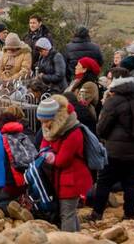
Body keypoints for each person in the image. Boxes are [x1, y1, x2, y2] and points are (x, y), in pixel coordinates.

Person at [88, 74, 134, 222]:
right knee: (130, 183)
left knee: (104, 182)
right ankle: (129, 214)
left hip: (114, 151)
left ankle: (97, 213)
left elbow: (102, 128)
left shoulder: (113, 102)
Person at [37, 96, 92, 232]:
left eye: (45, 121)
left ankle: (70, 239)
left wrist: (48, 156)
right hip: (63, 178)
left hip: (72, 180)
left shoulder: (73, 131)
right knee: (70, 214)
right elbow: (44, 142)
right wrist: (47, 153)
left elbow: (62, 160)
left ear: (54, 117)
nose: (44, 125)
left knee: (66, 214)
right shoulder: (53, 128)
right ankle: (78, 239)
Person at [0, 112, 35, 222]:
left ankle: (10, 209)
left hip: (11, 183)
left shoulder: (0, 139)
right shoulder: (24, 136)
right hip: (29, 180)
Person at [65, 57, 101, 122]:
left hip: (83, 120)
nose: (75, 67)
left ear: (84, 69)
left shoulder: (90, 85)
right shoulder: (76, 81)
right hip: (72, 116)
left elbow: (80, 104)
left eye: (78, 65)